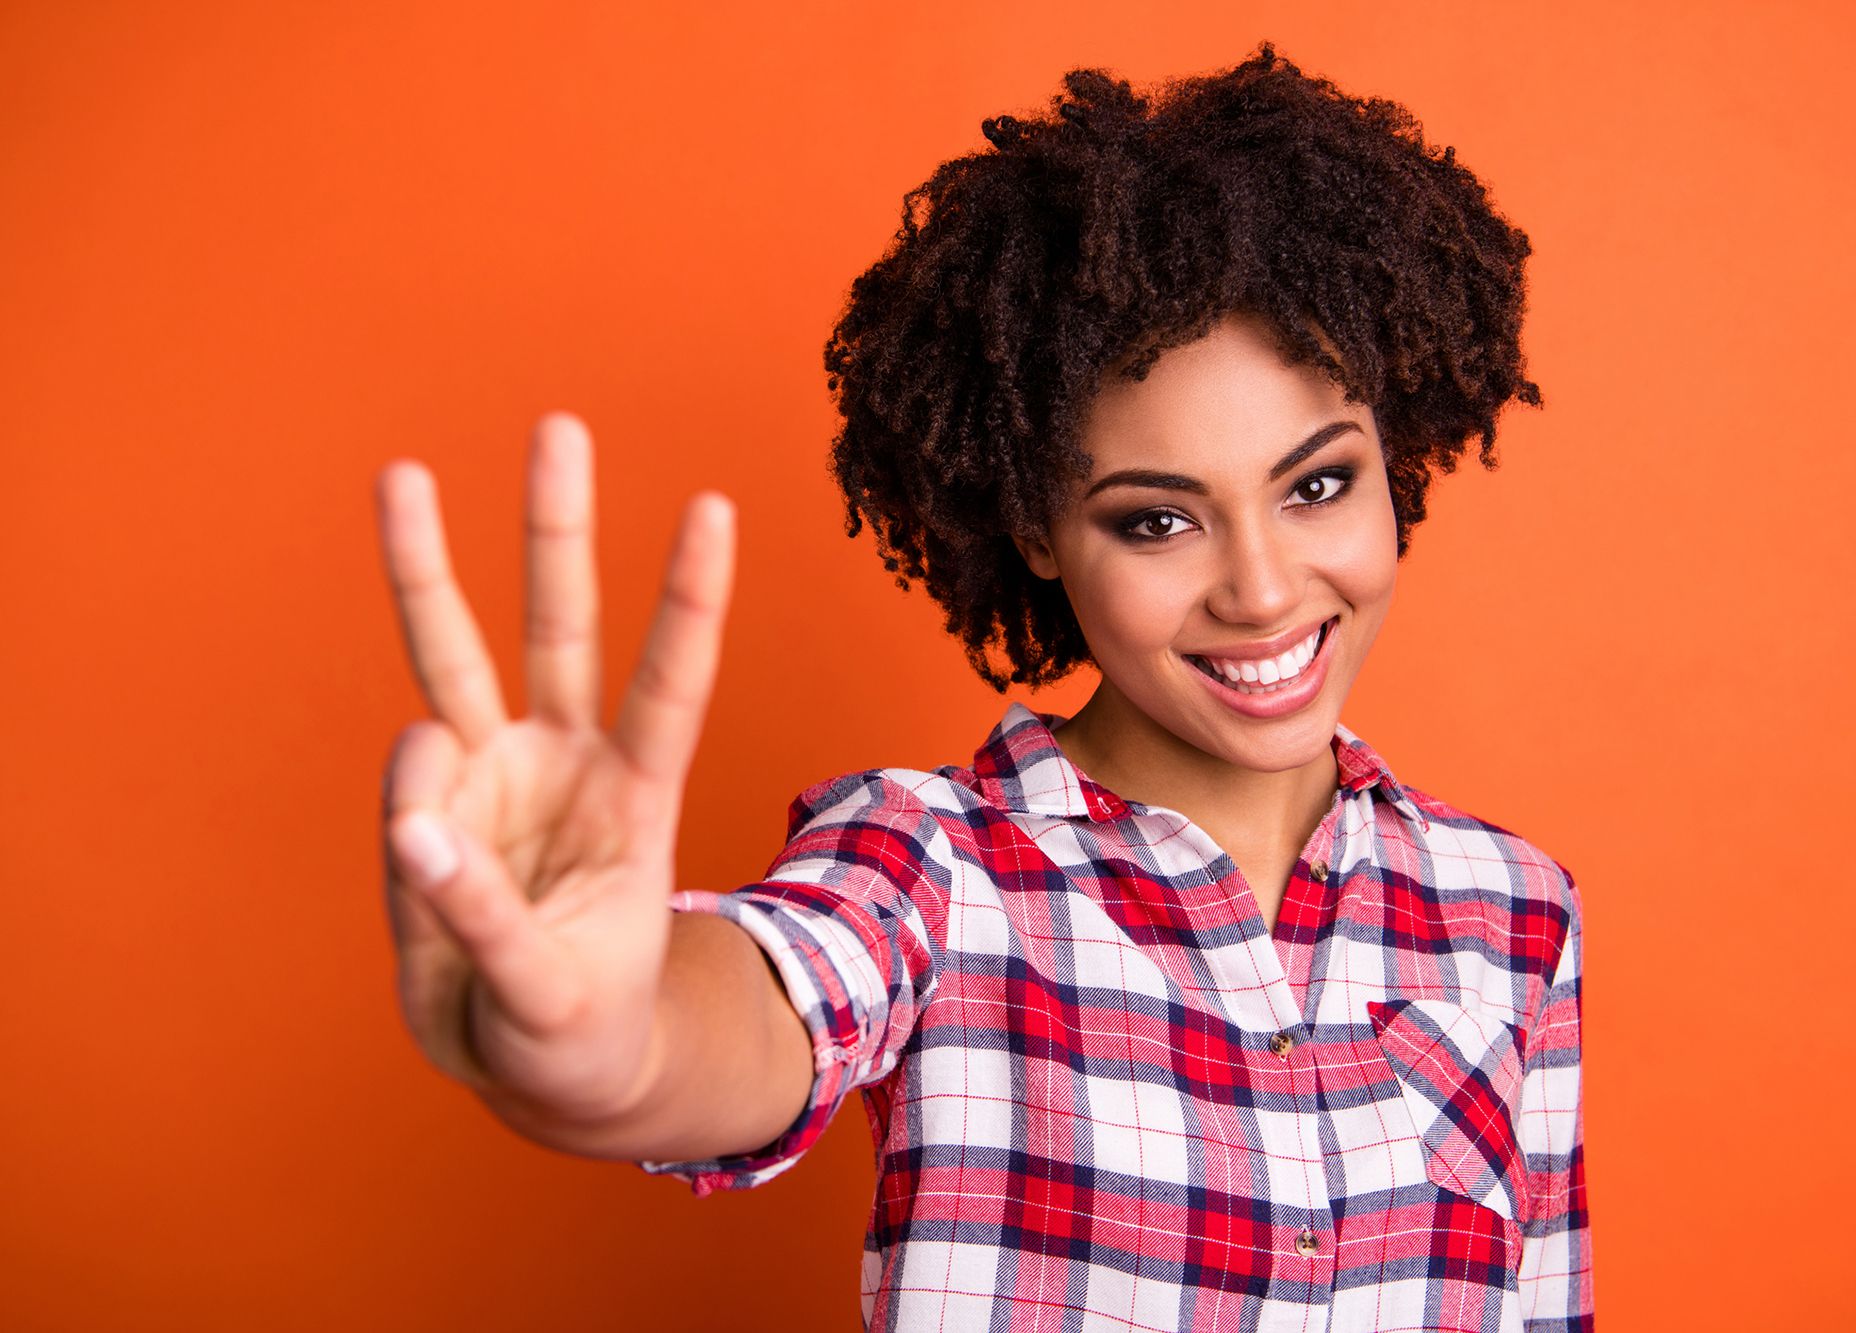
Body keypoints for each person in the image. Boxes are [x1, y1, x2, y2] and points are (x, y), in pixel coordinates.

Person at [374, 42, 1590, 1333]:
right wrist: (604, 1039)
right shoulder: (929, 867)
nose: (1263, 589)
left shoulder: (1511, 907)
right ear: (1034, 531)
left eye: (1317, 485)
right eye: (1156, 522)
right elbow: (747, 1012)